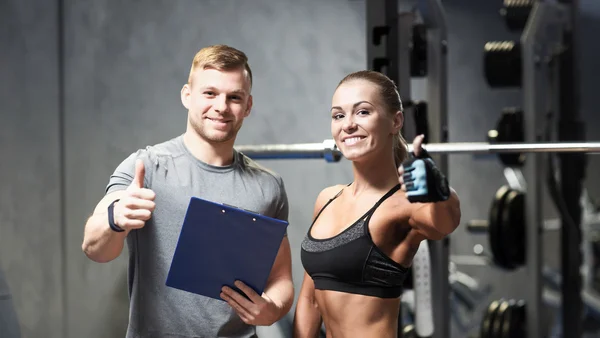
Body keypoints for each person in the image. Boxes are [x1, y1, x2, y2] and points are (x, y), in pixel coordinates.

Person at [81, 44, 294, 338]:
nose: (221, 106)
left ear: (248, 106)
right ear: (187, 96)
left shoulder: (268, 186)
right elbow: (95, 248)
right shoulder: (146, 167)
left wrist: (273, 308)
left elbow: (281, 278)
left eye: (234, 97)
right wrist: (115, 218)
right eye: (210, 93)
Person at [293, 70, 461, 338]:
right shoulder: (328, 198)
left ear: (396, 121)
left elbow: (444, 222)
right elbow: (311, 300)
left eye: (362, 112)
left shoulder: (405, 204)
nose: (347, 125)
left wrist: (440, 192)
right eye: (338, 115)